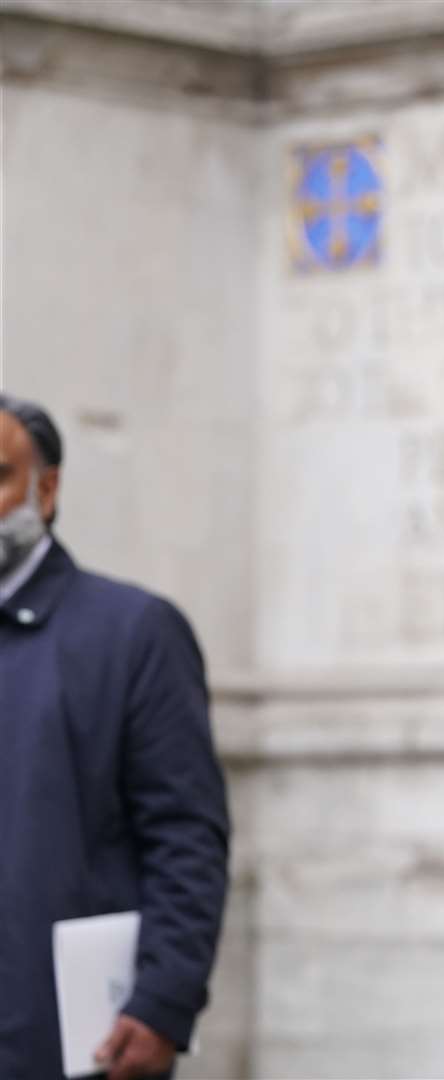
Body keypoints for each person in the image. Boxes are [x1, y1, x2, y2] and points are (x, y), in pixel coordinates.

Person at [0, 394, 231, 1080]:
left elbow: (187, 835)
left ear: (46, 488)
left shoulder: (133, 632)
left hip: (64, 1040)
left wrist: (164, 1000)